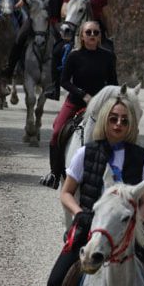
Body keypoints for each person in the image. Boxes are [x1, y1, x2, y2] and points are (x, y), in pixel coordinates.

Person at [42, 96, 144, 286]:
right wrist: (79, 213)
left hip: (129, 227)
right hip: (90, 226)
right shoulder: (85, 153)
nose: (118, 124)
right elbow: (66, 192)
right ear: (104, 121)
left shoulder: (142, 157)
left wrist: (136, 221)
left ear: (131, 126)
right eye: (113, 119)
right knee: (55, 284)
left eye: (124, 121)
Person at [40, 21, 118, 189]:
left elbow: (113, 83)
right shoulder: (74, 56)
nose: (92, 35)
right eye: (88, 32)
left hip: (100, 104)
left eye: (96, 33)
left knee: (119, 130)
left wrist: (105, 98)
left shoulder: (108, 57)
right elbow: (64, 81)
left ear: (100, 36)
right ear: (82, 36)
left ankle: (120, 171)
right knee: (56, 132)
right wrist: (83, 94)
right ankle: (54, 173)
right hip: (76, 102)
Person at [3, 0, 66, 101]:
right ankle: (9, 70)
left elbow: (63, 0)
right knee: (20, 38)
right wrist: (34, 13)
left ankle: (56, 83)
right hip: (35, 19)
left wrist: (58, 17)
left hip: (54, 20)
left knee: (62, 46)